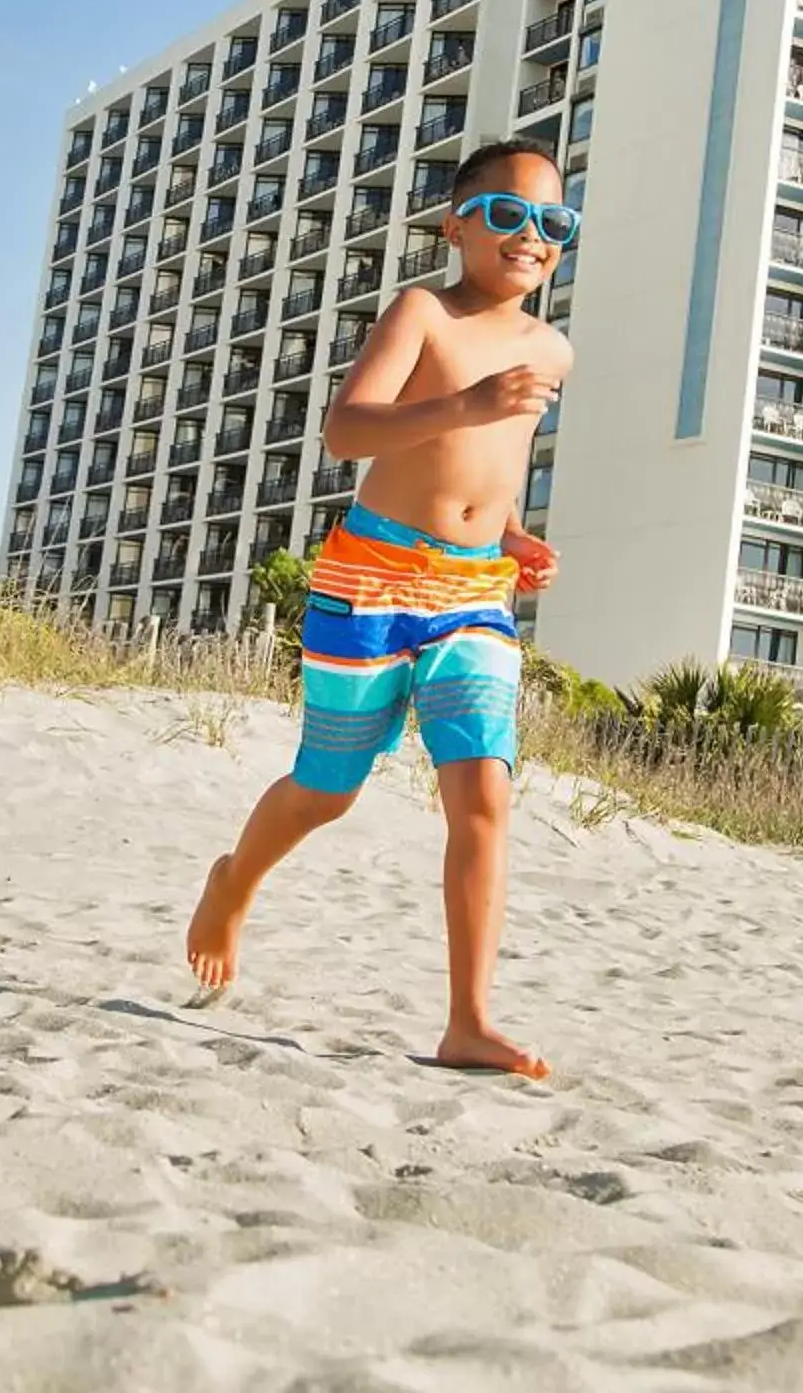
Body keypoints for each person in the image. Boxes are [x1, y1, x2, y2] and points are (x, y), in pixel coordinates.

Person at [184, 136, 574, 1077]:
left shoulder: (552, 346)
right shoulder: (423, 311)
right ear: (457, 224)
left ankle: (467, 1019)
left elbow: (495, 467)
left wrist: (514, 535)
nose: (531, 235)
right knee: (328, 788)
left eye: (553, 222)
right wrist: (466, 402)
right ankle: (234, 883)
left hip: (475, 590)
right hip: (371, 577)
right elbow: (347, 431)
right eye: (507, 214)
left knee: (484, 792)